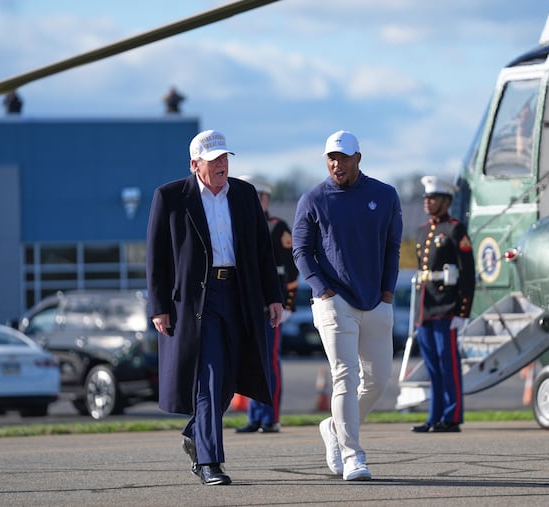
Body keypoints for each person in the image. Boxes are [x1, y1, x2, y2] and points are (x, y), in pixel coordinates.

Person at [146, 129, 284, 486]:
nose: (222, 164)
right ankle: (210, 462)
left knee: (229, 376)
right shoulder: (171, 197)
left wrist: (274, 296)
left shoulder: (245, 194)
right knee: (209, 376)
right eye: (214, 160)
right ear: (195, 165)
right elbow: (157, 257)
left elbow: (262, 252)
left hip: (240, 294)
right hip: (198, 302)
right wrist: (159, 305)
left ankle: (196, 431)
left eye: (225, 158)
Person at [292, 130, 402, 481]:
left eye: (342, 157)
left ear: (358, 158)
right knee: (345, 376)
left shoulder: (385, 195)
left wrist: (387, 294)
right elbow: (301, 251)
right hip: (333, 301)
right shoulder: (313, 199)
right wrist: (323, 290)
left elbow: (392, 248)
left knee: (379, 381)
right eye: (330, 158)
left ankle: (333, 427)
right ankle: (353, 455)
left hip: (376, 301)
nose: (336, 164)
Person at [411, 175, 475, 433]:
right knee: (432, 366)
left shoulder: (455, 230)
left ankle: (452, 416)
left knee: (448, 364)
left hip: (446, 307)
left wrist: (463, 310)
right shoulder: (422, 231)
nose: (428, 202)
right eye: (426, 198)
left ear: (446, 201)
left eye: (433, 198)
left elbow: (467, 274)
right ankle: (434, 417)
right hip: (425, 307)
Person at [235, 176, 298, 434]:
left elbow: (290, 273)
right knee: (251, 361)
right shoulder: (238, 224)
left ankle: (270, 417)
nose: (258, 200)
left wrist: (288, 306)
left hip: (271, 307)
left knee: (269, 361)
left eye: (261, 196)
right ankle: (255, 416)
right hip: (247, 306)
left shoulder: (277, 227)